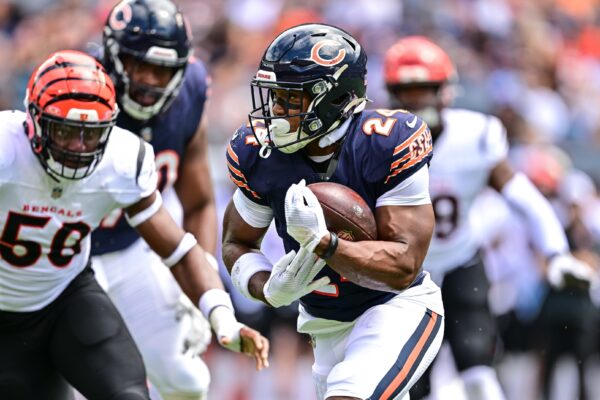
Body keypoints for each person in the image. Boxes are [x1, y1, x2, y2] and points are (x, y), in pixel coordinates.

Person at [0, 50, 268, 400]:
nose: (78, 147)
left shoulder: (121, 158)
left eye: (90, 133)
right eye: (65, 131)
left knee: (129, 394)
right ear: (34, 121)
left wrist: (222, 318)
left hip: (64, 297)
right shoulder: (7, 149)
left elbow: (177, 249)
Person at [221, 23, 445, 400]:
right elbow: (235, 242)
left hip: (395, 307)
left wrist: (326, 245)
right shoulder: (261, 155)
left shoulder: (383, 142)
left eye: (289, 98)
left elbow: (404, 263)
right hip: (323, 323)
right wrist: (268, 287)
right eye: (274, 95)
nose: (275, 109)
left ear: (334, 98)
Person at [382, 36, 596, 400]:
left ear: (446, 91)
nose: (416, 101)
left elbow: (523, 196)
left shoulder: (474, 136)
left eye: (424, 89)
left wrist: (556, 251)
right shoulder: (375, 142)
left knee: (479, 374)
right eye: (407, 91)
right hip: (406, 274)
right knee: (410, 385)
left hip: (462, 261)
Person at [90, 1, 218, 398]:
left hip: (131, 253)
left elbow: (199, 204)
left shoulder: (190, 92)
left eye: (161, 70)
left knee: (187, 381)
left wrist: (199, 285)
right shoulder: (80, 91)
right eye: (137, 64)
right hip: (67, 258)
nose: (147, 81)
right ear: (112, 57)